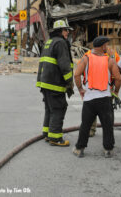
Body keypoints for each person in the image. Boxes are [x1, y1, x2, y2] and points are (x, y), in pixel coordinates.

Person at [73, 36, 121, 158]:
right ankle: (108, 149)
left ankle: (79, 149)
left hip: (89, 99)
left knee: (85, 125)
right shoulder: (109, 61)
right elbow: (118, 79)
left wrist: (80, 89)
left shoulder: (86, 59)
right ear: (103, 46)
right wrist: (115, 92)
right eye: (106, 45)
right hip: (105, 98)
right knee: (107, 125)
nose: (108, 47)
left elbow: (77, 74)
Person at [36, 19, 74, 147]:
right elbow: (65, 65)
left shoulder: (49, 42)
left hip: (45, 83)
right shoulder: (61, 43)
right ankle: (55, 138)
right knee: (58, 108)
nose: (67, 33)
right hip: (55, 83)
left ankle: (47, 133)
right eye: (66, 30)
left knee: (50, 109)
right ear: (60, 31)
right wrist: (70, 82)